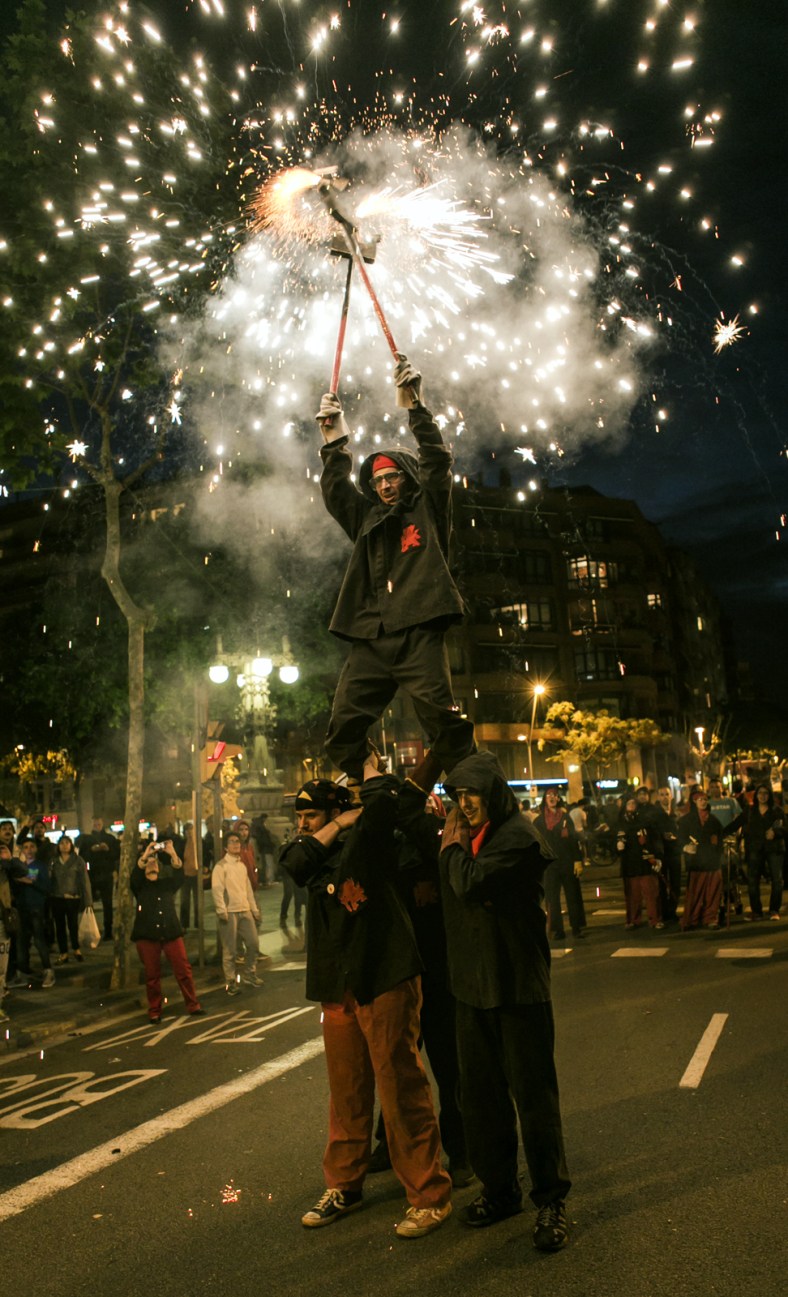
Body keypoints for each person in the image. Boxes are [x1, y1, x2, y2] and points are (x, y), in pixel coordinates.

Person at [280, 765, 452, 1240]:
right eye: (301, 817)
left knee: (401, 1089)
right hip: (339, 985)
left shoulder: (374, 839)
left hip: (384, 976)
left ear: (340, 810)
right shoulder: (311, 851)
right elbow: (293, 862)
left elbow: (381, 807)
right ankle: (344, 1184)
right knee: (347, 1091)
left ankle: (429, 1194)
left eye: (312, 816)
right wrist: (336, 823)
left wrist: (363, 776)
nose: (303, 825)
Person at [424, 749, 572, 1252]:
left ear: (495, 796)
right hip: (471, 988)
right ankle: (501, 1188)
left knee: (533, 1098)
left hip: (516, 988)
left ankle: (550, 1199)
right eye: (457, 797)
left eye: (473, 796)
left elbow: (469, 882)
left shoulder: (519, 838)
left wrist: (448, 847)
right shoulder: (465, 837)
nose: (464, 807)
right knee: (480, 1098)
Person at [315, 354, 474, 784]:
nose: (384, 485)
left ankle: (477, 799)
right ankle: (374, 782)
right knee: (342, 731)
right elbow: (335, 492)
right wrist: (334, 442)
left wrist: (415, 407)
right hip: (372, 638)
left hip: (419, 634)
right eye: (378, 480)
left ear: (408, 478)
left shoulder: (429, 507)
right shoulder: (366, 519)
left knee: (445, 725)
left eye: (392, 477)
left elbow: (437, 460)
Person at [131, 840, 203, 1024]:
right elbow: (134, 877)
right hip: (147, 935)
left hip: (170, 931)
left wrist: (172, 853)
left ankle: (193, 1004)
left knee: (183, 969)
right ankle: (154, 1011)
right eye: (149, 862)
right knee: (152, 975)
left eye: (155, 861)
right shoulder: (140, 886)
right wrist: (145, 855)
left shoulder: (166, 884)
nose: (152, 863)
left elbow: (180, 876)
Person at [211, 831, 262, 994]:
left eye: (238, 841)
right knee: (230, 949)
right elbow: (217, 890)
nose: (236, 844)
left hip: (244, 909)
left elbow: (248, 890)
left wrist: (254, 909)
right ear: (226, 847)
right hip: (229, 912)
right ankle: (231, 980)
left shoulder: (241, 866)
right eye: (232, 842)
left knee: (253, 944)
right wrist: (221, 910)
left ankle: (249, 973)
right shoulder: (221, 867)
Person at [533, 790, 586, 942]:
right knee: (552, 898)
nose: (552, 798)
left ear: (559, 799)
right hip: (549, 865)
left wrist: (577, 860)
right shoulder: (538, 821)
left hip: (567, 862)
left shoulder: (565, 817)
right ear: (544, 799)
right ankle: (557, 929)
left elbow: (573, 840)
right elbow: (535, 844)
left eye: (555, 796)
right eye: (549, 796)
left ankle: (576, 928)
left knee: (573, 895)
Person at [734, 783, 784, 921]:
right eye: (760, 793)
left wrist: (776, 832)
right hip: (755, 848)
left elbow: (785, 828)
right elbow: (736, 824)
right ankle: (756, 911)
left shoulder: (776, 811)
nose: (763, 796)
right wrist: (721, 834)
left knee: (777, 880)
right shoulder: (750, 811)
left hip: (774, 849)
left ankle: (774, 910)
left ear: (770, 795)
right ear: (756, 795)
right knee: (752, 880)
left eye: (766, 793)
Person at [678, 788, 725, 930]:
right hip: (696, 862)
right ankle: (692, 919)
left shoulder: (714, 819)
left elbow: (720, 838)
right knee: (695, 893)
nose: (703, 802)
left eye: (705, 799)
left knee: (713, 893)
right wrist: (685, 847)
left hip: (712, 861)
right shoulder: (686, 820)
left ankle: (711, 918)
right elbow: (680, 839)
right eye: (700, 800)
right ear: (694, 802)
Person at [12, 838, 55, 987]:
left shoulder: (40, 866)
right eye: (26, 847)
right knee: (22, 942)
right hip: (21, 908)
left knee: (39, 940)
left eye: (31, 846)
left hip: (36, 907)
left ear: (36, 849)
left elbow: (46, 887)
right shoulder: (18, 867)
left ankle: (48, 971)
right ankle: (22, 974)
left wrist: (31, 882)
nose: (29, 850)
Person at [617, 794, 663, 930]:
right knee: (633, 895)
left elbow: (654, 839)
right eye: (629, 804)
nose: (631, 806)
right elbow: (615, 842)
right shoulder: (620, 823)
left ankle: (655, 919)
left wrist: (656, 856)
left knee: (651, 893)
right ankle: (632, 919)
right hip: (629, 863)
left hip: (645, 860)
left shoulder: (645, 821)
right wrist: (618, 846)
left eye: (633, 803)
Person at [50, 833, 92, 963]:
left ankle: (76, 949)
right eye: (61, 843)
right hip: (57, 897)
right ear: (58, 846)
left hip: (73, 897)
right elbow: (49, 879)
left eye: (67, 843)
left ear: (71, 845)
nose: (64, 846)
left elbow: (85, 881)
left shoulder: (78, 860)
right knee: (60, 926)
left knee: (73, 925)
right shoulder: (54, 861)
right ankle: (63, 953)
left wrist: (88, 900)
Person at [77, 816, 119, 940]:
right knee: (89, 903)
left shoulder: (110, 839)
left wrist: (108, 849)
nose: (97, 825)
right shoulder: (86, 839)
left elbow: (116, 855)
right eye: (95, 823)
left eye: (99, 823)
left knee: (107, 903)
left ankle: (108, 930)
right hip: (92, 875)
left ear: (102, 823)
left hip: (106, 874)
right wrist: (92, 850)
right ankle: (91, 929)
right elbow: (82, 857)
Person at [652, 786, 681, 923]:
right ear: (658, 797)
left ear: (671, 796)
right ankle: (663, 912)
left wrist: (676, 838)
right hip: (661, 853)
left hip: (674, 852)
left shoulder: (676, 814)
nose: (664, 797)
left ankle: (672, 910)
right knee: (662, 884)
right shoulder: (655, 814)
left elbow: (682, 832)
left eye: (667, 794)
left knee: (675, 882)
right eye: (661, 794)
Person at [179, 822, 200, 929]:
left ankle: (198, 924)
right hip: (185, 875)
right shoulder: (182, 843)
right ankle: (184, 925)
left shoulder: (199, 842)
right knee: (184, 901)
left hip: (197, 875)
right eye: (187, 830)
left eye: (191, 829)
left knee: (198, 901)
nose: (189, 832)